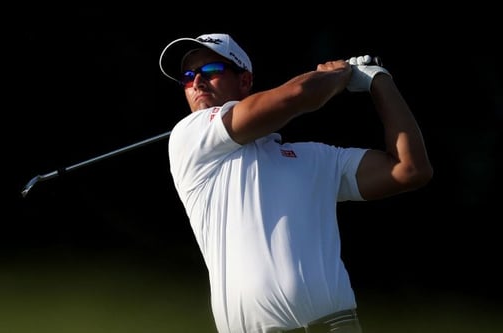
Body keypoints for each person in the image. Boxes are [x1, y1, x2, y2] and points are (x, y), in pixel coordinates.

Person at [158, 33, 433, 333]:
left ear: (245, 82)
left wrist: (379, 81)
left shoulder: (313, 158)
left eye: (210, 72)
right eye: (187, 77)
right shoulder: (191, 135)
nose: (197, 83)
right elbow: (298, 95)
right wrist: (338, 74)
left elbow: (410, 169)